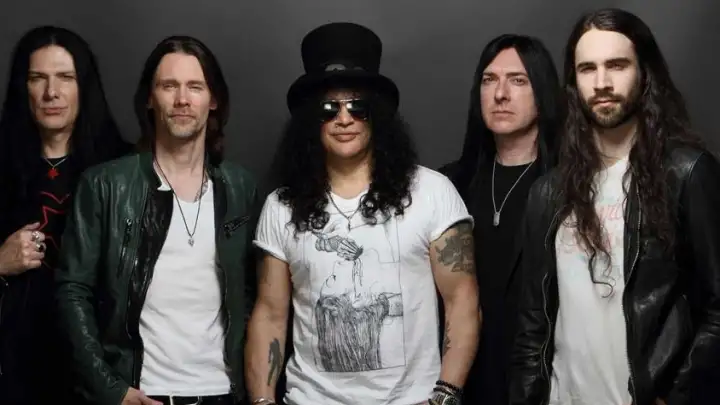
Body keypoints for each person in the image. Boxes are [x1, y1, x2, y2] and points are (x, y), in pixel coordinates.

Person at [245, 22, 481, 405]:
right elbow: (270, 315)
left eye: (358, 106)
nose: (344, 119)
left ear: (378, 115)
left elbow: (462, 300)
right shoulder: (281, 206)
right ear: (311, 120)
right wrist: (261, 401)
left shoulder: (432, 192)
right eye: (329, 108)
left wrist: (444, 396)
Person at [509, 8, 720, 405]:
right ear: (574, 82)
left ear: (645, 74)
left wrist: (677, 395)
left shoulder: (687, 173)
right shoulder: (548, 193)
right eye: (587, 69)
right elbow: (532, 328)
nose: (601, 83)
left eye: (617, 65)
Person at [55, 35, 258, 405]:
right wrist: (110, 389)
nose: (182, 99)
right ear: (149, 98)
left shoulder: (240, 187)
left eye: (195, 86)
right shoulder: (105, 185)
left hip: (223, 393)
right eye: (169, 86)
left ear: (213, 100)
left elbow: (251, 293)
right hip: (142, 393)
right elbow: (72, 290)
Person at [0, 25, 133, 404]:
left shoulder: (123, 168)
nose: (51, 92)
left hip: (103, 370)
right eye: (37, 78)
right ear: (22, 87)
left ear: (83, 87)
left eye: (65, 77)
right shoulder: (3, 164)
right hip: (15, 368)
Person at [439, 33, 562, 405]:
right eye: (489, 80)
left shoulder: (569, 187)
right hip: (460, 381)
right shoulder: (447, 185)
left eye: (518, 80)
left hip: (541, 383)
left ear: (543, 92)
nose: (500, 94)